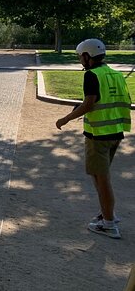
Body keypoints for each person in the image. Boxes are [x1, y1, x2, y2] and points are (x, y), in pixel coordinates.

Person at [56, 39, 132, 239]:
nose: (80, 60)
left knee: (102, 178)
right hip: (115, 131)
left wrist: (65, 119)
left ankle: (108, 223)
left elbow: (89, 104)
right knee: (99, 175)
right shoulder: (114, 74)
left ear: (87, 56)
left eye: (81, 56)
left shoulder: (91, 75)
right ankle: (107, 213)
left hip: (98, 134)